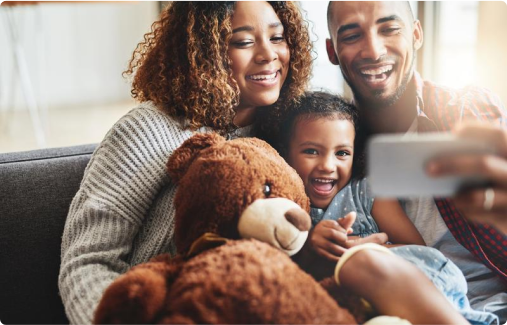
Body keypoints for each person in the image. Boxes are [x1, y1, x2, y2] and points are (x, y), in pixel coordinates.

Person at [58, 0, 313, 324]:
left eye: (277, 37)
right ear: (203, 50)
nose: (268, 55)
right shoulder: (147, 130)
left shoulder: (294, 130)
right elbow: (87, 262)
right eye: (243, 41)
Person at [325, 0, 507, 321]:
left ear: (416, 34)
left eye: (390, 29)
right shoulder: (333, 147)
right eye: (352, 36)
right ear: (332, 51)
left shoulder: (466, 111)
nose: (374, 50)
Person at [273, 90, 498, 325]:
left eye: (342, 153)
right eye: (311, 151)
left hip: (419, 279)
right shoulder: (287, 204)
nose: (328, 165)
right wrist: (310, 247)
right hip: (364, 303)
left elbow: (418, 249)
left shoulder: (366, 192)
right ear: (286, 152)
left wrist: (375, 248)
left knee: (360, 263)